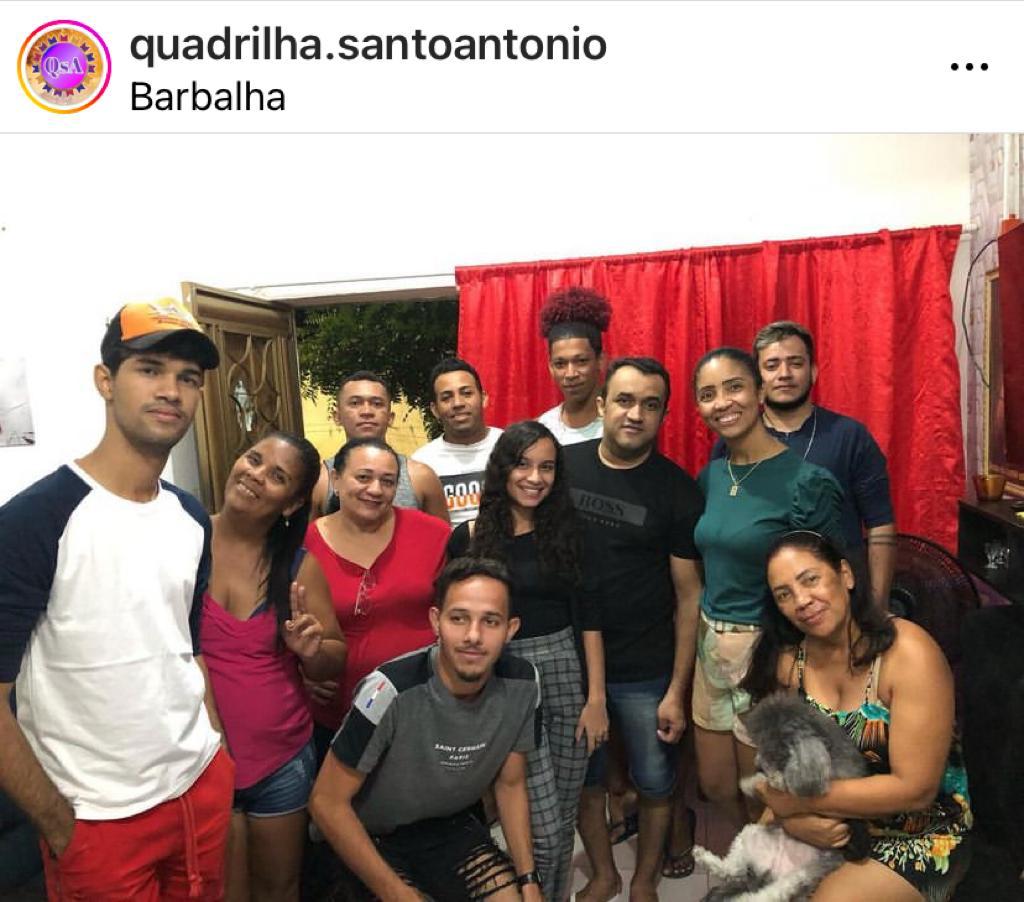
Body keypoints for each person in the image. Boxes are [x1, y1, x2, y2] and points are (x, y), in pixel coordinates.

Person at [0, 299, 233, 899]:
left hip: (198, 790)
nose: (171, 391)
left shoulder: (189, 516)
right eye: (149, 369)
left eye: (188, 378)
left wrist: (217, 755)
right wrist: (59, 825)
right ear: (105, 381)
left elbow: (188, 648)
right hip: (97, 819)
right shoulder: (35, 520)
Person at [744, 530, 972, 901]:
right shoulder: (790, 664)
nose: (802, 601)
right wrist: (791, 820)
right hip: (833, 821)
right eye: (784, 594)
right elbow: (776, 775)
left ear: (846, 575)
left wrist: (798, 804)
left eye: (810, 579)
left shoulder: (908, 654)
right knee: (750, 885)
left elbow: (915, 791)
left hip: (920, 833)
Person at [308, 557, 544, 902]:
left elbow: (510, 784)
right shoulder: (388, 691)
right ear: (436, 621)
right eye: (458, 618)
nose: (473, 636)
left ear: (510, 629)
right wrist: (399, 894)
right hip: (369, 833)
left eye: (490, 621)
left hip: (447, 827)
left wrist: (529, 881)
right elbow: (325, 802)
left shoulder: (524, 684)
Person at [563, 357, 705, 902]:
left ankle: (645, 878)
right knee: (586, 779)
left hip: (647, 665)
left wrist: (677, 688)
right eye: (624, 400)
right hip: (571, 661)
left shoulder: (677, 490)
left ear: (664, 416)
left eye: (650, 405)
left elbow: (689, 596)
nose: (635, 414)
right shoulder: (562, 468)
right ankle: (605, 874)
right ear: (602, 405)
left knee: (655, 780)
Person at [448, 420, 608, 901]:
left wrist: (596, 698)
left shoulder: (571, 532)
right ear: (502, 468)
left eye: (547, 467)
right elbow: (456, 620)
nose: (535, 477)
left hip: (565, 672)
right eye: (523, 464)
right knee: (542, 827)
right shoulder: (471, 535)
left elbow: (590, 617)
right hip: (505, 678)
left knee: (563, 815)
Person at [691, 346, 843, 841]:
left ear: (759, 391)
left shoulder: (805, 481)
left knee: (764, 790)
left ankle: (775, 871)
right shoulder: (712, 476)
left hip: (767, 648)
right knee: (716, 785)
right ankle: (755, 856)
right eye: (708, 394)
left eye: (734, 387)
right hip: (710, 645)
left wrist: (799, 660)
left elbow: (828, 582)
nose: (722, 402)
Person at [201, 432, 346, 901]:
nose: (255, 475)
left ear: (292, 503)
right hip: (200, 760)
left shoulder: (298, 568)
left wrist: (311, 651)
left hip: (281, 761)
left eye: (277, 476)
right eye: (253, 459)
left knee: (279, 889)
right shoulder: (185, 544)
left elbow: (332, 661)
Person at [712, 321, 895, 610]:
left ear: (814, 372)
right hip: (756, 603)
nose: (784, 374)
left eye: (795, 363)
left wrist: (878, 606)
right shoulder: (733, 441)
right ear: (757, 379)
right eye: (772, 365)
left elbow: (880, 525)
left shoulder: (850, 436)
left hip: (835, 601)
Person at [303, 436, 449, 755]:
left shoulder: (433, 534)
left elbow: (458, 609)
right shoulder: (304, 545)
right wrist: (302, 674)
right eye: (363, 477)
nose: (375, 489)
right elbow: (281, 624)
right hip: (339, 717)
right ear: (336, 480)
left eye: (388, 481)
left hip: (424, 706)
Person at [310, 370, 449, 524]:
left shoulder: (421, 476)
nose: (366, 412)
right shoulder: (320, 480)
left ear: (390, 417)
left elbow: (442, 537)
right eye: (355, 403)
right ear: (337, 416)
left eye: (377, 404)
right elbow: (308, 538)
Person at [411, 358, 503, 528]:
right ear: (435, 410)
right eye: (447, 398)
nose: (458, 403)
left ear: (483, 398)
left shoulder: (510, 446)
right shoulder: (422, 463)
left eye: (466, 393)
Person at [536, 287, 611, 445]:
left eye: (581, 361)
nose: (570, 374)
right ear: (550, 367)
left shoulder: (619, 425)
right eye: (560, 364)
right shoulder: (543, 430)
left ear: (600, 360)